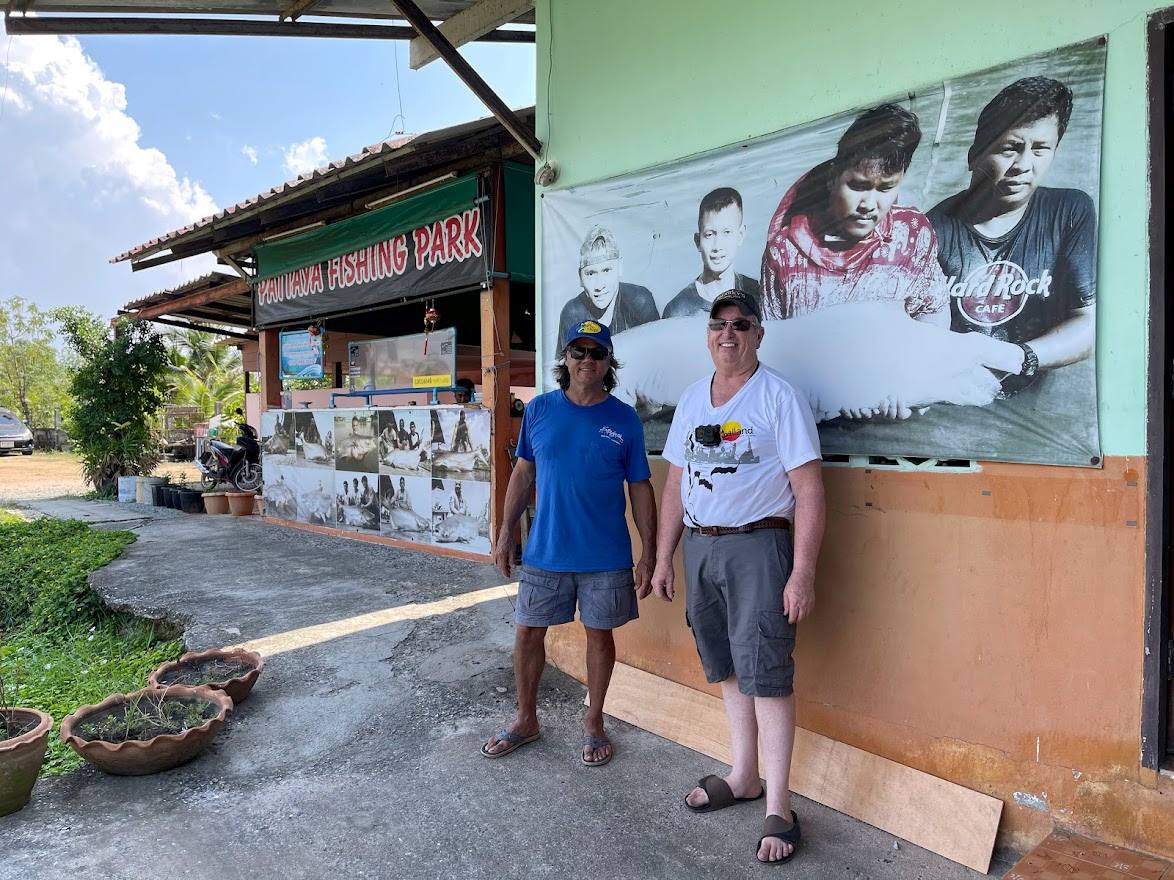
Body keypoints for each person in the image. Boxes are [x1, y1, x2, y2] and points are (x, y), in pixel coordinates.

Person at [650, 290, 825, 865]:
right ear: (707, 335)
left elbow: (808, 490)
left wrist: (802, 573)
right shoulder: (691, 400)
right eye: (718, 324)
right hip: (702, 548)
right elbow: (675, 486)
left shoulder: (779, 398)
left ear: (757, 335)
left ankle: (779, 805)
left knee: (767, 673)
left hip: (760, 546)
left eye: (740, 324)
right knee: (726, 666)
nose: (728, 333)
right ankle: (743, 774)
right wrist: (661, 558)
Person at [483, 319, 657, 767]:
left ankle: (594, 722)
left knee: (599, 637)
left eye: (596, 353)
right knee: (527, 633)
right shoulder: (539, 410)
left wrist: (650, 553)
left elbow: (640, 487)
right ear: (565, 359)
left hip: (606, 556)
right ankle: (526, 719)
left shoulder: (624, 419)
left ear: (607, 364)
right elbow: (523, 473)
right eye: (578, 352)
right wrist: (505, 532)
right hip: (546, 551)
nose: (587, 360)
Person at [927, 76, 1095, 396]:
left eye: (1041, 149)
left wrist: (1016, 357)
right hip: (953, 401)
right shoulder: (931, 229)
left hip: (1033, 407)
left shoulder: (1070, 211)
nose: (1023, 165)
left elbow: (1087, 323)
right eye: (1010, 149)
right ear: (975, 154)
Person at [760, 103, 949, 325]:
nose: (868, 205)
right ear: (833, 178)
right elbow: (773, 337)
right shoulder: (785, 252)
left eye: (885, 188)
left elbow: (934, 312)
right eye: (858, 186)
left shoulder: (913, 235)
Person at [663, 187, 762, 318]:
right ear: (698, 241)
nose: (717, 246)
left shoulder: (758, 294)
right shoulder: (678, 311)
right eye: (709, 235)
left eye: (727, 232)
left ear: (740, 235)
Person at [556, 225, 659, 347]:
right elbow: (565, 363)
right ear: (580, 278)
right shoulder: (572, 312)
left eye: (606, 270)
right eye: (590, 273)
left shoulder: (640, 301)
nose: (599, 285)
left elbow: (656, 353)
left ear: (620, 268)